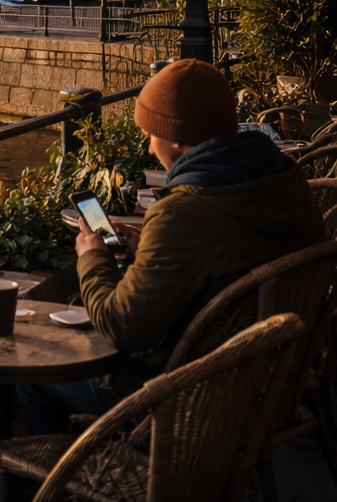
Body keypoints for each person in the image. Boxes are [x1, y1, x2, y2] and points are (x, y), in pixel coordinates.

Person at [17, 59, 324, 435]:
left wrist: (93, 256)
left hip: (180, 404)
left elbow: (122, 326)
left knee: (31, 373)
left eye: (151, 133)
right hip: (266, 386)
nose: (148, 147)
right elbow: (223, 256)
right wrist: (149, 247)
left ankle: (77, 478)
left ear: (175, 135)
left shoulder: (183, 214)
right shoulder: (285, 184)